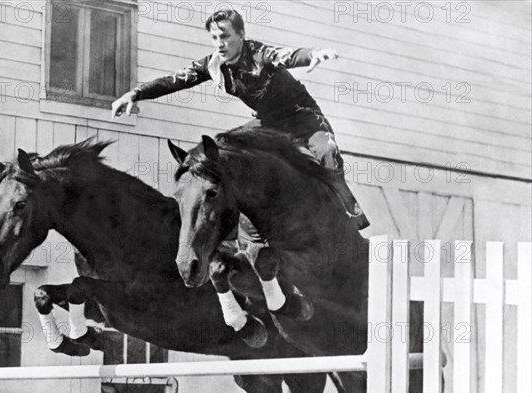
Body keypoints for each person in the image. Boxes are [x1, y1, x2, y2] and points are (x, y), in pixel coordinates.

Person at [112, 8, 368, 229]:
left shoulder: (259, 54)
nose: (219, 44)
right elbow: (173, 81)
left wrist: (313, 54)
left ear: (241, 36)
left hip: (303, 117)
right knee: (223, 148)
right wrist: (135, 94)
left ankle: (350, 211)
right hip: (268, 121)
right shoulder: (212, 66)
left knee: (327, 153)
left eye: (225, 36)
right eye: (214, 38)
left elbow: (286, 56)